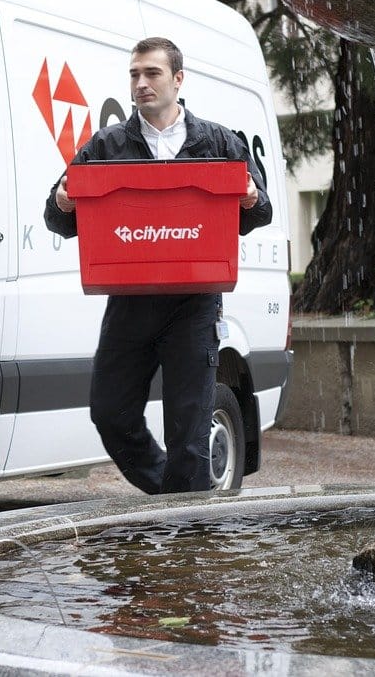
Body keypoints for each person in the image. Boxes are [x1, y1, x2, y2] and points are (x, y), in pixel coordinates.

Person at [44, 36, 272, 494]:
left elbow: (259, 210)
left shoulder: (219, 142)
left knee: (190, 435)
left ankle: (183, 542)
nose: (142, 83)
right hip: (129, 303)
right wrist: (62, 200)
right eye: (134, 74)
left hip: (194, 304)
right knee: (110, 414)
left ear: (178, 79)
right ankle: (172, 494)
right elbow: (57, 216)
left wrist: (250, 196)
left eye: (152, 73)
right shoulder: (106, 146)